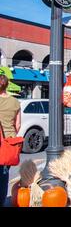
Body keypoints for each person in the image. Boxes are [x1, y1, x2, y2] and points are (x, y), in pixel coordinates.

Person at [0, 75, 21, 207]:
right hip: (8, 142)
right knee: (3, 175)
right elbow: (18, 125)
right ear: (7, 85)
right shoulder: (15, 102)